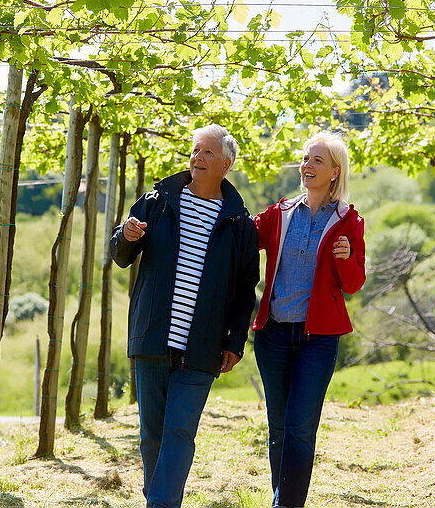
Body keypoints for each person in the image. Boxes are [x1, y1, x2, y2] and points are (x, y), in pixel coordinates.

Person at [110, 124, 259, 508]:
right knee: (152, 435)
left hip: (203, 347)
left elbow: (245, 290)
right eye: (195, 150)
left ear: (226, 163)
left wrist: (234, 342)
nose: (197, 157)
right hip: (153, 338)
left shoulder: (239, 223)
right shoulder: (158, 201)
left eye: (207, 152)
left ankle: (159, 505)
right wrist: (125, 236)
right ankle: (162, 501)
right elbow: (121, 254)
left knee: (179, 431)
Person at [252, 131, 366, 508]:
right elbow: (242, 238)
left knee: (300, 428)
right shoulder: (280, 213)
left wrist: (346, 257)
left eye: (317, 160)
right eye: (305, 159)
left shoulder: (349, 221)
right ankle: (282, 498)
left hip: (318, 339)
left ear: (335, 171)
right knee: (280, 429)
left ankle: (285, 505)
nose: (307, 166)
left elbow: (352, 285)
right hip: (273, 336)